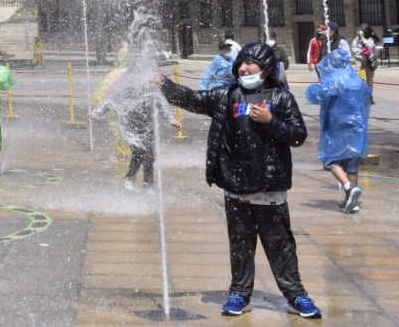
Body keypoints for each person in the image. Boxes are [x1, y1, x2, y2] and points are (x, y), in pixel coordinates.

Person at [156, 42, 321, 319]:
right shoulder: (227, 95)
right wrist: (164, 84)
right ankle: (240, 294)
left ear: (265, 68)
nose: (244, 68)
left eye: (250, 63)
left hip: (269, 187)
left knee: (280, 245)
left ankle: (296, 295)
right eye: (241, 63)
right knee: (241, 245)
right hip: (236, 186)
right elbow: (193, 99)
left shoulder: (281, 98)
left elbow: (298, 136)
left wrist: (270, 120)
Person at [90, 57, 176, 190]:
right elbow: (111, 101)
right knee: (139, 150)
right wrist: (96, 113)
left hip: (148, 126)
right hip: (130, 126)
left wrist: (171, 120)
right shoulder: (126, 87)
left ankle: (148, 184)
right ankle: (130, 178)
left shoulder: (150, 87)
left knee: (150, 156)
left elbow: (160, 104)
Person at [305, 48, 371, 213]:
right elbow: (367, 97)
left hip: (337, 125)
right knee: (352, 163)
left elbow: (315, 95)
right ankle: (351, 201)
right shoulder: (357, 81)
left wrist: (313, 87)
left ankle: (348, 187)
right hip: (357, 126)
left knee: (331, 159)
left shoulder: (333, 80)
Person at [353, 25, 379, 99]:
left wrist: (362, 38)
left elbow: (368, 47)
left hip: (369, 61)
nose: (361, 32)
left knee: (369, 79)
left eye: (363, 31)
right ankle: (361, 95)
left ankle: (369, 95)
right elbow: (353, 47)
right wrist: (361, 51)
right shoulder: (357, 38)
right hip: (360, 60)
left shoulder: (370, 39)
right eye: (361, 30)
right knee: (359, 78)